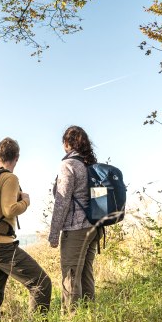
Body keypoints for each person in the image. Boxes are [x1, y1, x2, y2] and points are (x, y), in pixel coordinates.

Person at [0, 137, 52, 322]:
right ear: (16, 157)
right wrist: (26, 200)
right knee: (41, 283)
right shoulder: (10, 178)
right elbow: (10, 209)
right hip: (0, 244)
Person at [48, 126, 101, 311]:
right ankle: (89, 317)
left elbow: (61, 202)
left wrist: (54, 234)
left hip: (76, 228)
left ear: (67, 143)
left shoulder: (68, 165)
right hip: (95, 226)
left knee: (70, 276)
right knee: (85, 273)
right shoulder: (90, 164)